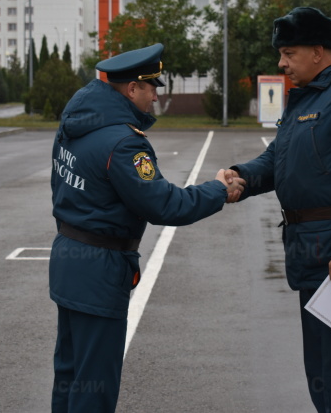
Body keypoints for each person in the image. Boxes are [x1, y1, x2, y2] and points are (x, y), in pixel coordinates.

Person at [49, 43, 245, 413]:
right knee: (95, 384)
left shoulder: (75, 122)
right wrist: (218, 189)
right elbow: (165, 204)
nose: (156, 96)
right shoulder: (124, 143)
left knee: (70, 374)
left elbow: (59, 186)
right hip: (100, 270)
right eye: (151, 87)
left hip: (67, 260)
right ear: (131, 89)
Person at [225, 7, 331, 413]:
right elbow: (279, 158)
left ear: (318, 51)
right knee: (322, 375)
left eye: (288, 53)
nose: (281, 64)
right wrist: (240, 177)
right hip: (312, 253)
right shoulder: (309, 98)